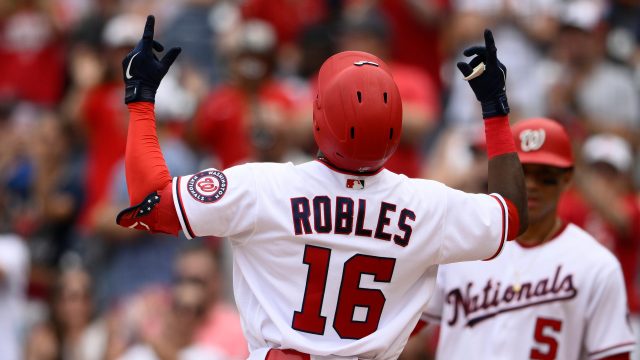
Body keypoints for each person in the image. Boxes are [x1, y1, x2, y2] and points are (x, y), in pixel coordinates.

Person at [116, 16, 526, 359]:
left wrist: (140, 98)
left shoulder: (264, 186)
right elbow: (512, 214)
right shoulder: (427, 204)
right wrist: (495, 110)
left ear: (318, 119)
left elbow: (151, 204)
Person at [415, 118, 635, 359]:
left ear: (567, 178)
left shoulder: (596, 265)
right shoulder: (463, 245)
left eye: (545, 175)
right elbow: (407, 325)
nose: (531, 185)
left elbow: (613, 355)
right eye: (521, 172)